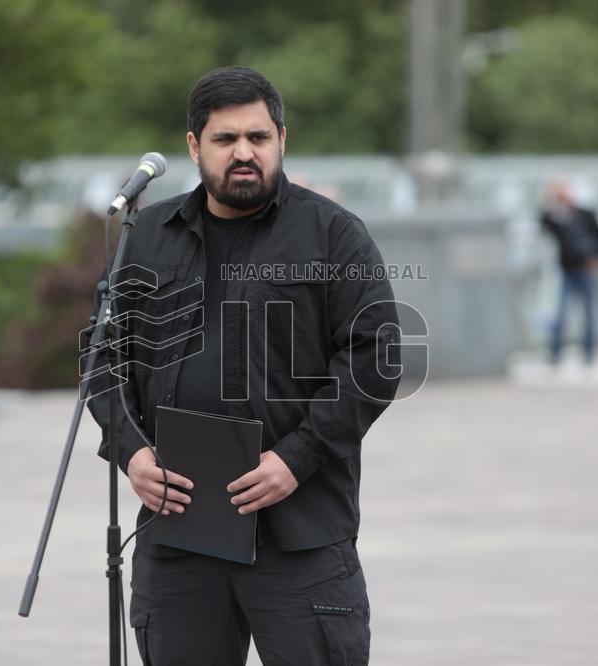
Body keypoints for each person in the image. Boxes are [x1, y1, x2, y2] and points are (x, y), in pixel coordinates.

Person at [86, 66, 401, 665]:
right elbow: (102, 357)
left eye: (258, 137)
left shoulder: (332, 234)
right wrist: (131, 452)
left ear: (283, 139)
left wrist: (296, 456)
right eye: (225, 139)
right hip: (177, 530)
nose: (243, 153)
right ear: (193, 147)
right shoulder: (147, 235)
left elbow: (376, 357)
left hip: (300, 532)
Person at [539, 177, 598, 366]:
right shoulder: (558, 217)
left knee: (589, 315)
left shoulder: (585, 214)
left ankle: (589, 354)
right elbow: (543, 223)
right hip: (567, 270)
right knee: (561, 314)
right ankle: (556, 353)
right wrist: (551, 202)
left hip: (587, 269)